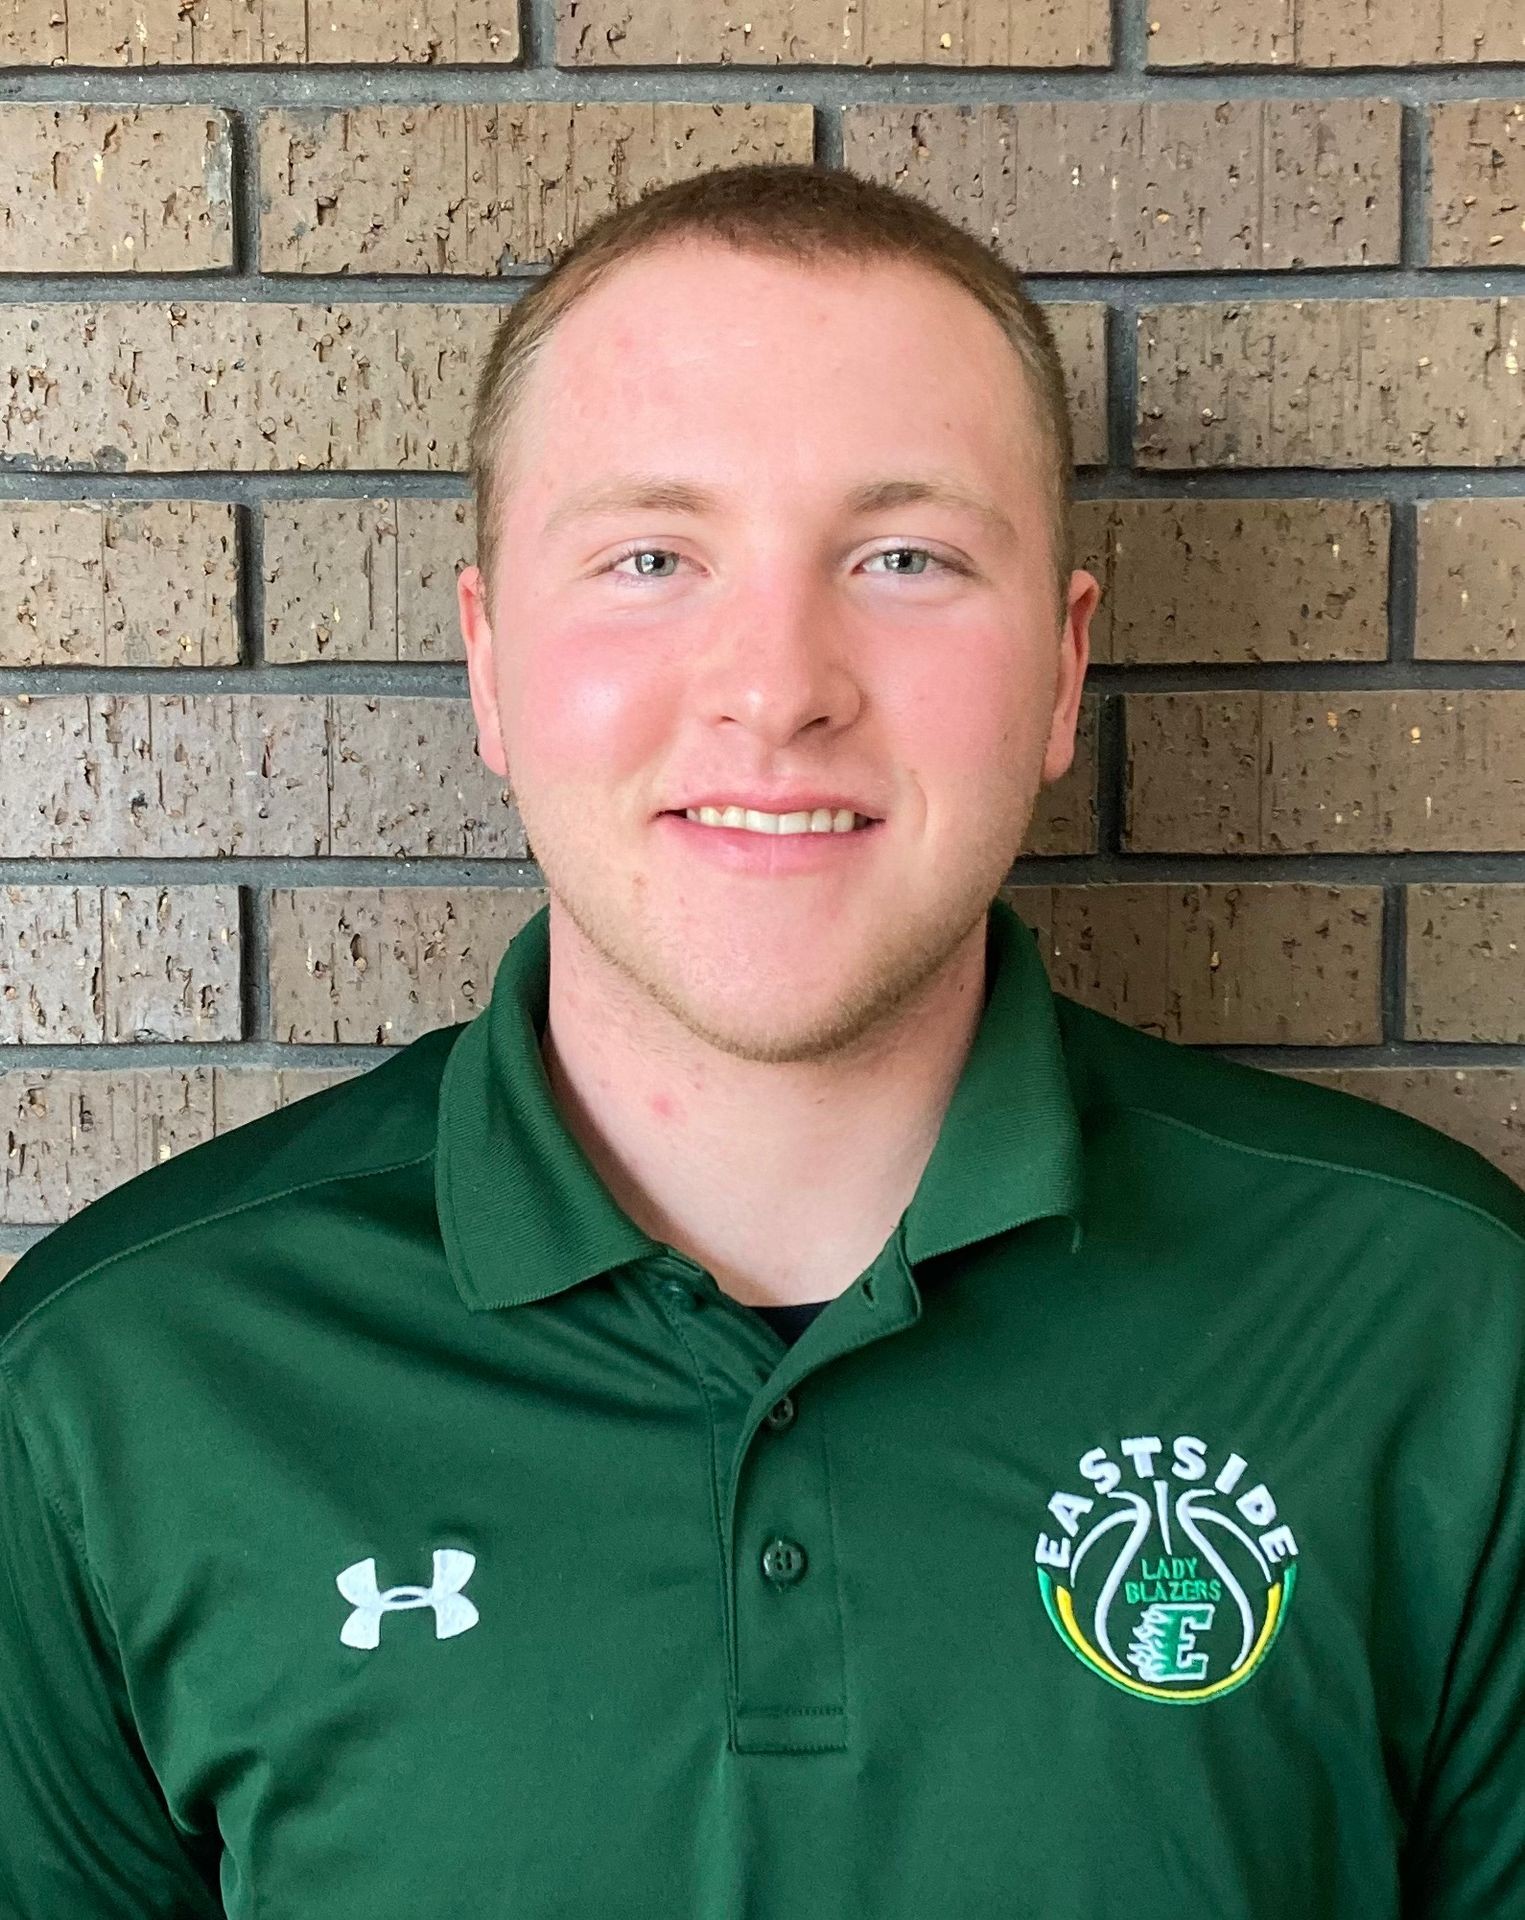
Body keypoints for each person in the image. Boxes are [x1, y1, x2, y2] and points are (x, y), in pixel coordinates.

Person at [1, 161, 1522, 1920]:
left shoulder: (1438, 1329)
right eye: (652, 555)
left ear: (1058, 669)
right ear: (488, 663)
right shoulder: (115, 1388)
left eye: (903, 557)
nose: (777, 682)